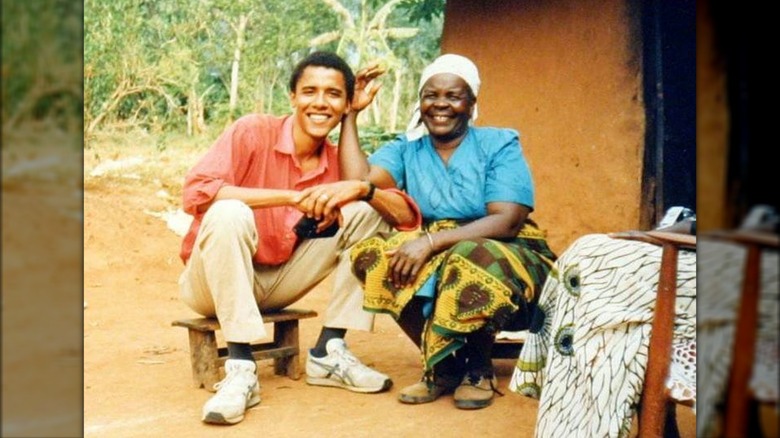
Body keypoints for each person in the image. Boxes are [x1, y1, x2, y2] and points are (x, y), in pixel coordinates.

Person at [178, 51, 421, 425]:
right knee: (229, 212)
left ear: (345, 104)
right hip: (209, 283)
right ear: (292, 97)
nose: (320, 102)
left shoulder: (338, 158)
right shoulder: (252, 131)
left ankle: (328, 350)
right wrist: (291, 197)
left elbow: (402, 216)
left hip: (278, 280)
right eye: (310, 91)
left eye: (334, 95)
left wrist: (354, 129)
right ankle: (241, 368)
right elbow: (197, 193)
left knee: (369, 208)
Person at [343, 54, 557, 410]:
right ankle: (442, 366)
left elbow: (508, 219)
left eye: (453, 96)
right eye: (430, 95)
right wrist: (351, 113)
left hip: (509, 253)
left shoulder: (498, 143)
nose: (440, 104)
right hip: (439, 251)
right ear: (420, 102)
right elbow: (358, 183)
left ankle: (477, 370)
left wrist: (430, 242)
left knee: (470, 255)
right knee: (374, 256)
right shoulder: (407, 147)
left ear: (471, 103)